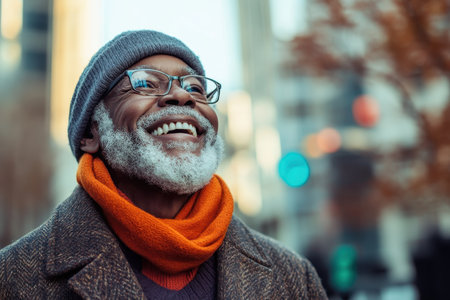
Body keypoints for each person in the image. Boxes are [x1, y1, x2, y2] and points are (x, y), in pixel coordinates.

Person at [0, 30, 326, 299]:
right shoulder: (12, 278)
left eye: (195, 87)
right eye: (145, 83)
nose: (182, 97)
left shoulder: (294, 278)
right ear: (90, 133)